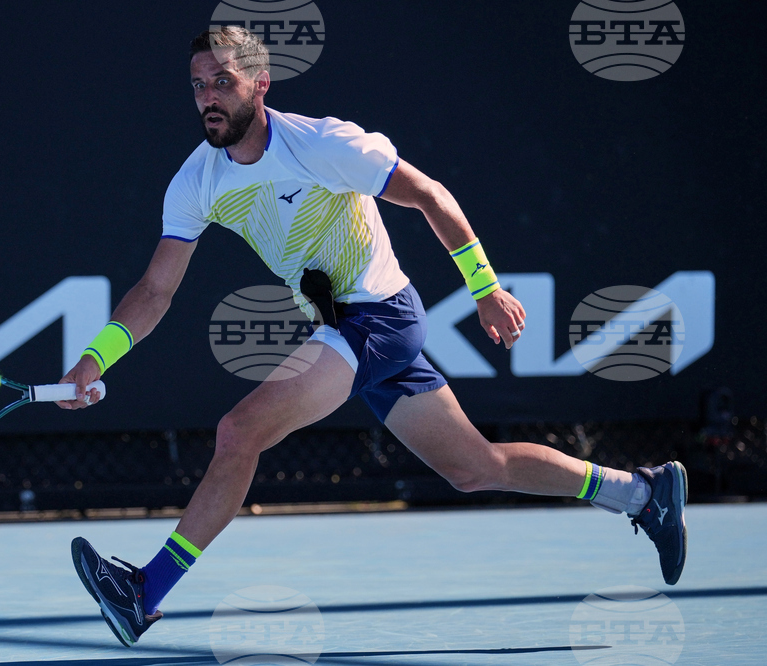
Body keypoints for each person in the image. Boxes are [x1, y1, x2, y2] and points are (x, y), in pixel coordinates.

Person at [57, 27, 687, 648]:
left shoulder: (324, 145)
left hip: (380, 317)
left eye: (223, 81)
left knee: (239, 432)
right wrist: (94, 357)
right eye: (198, 86)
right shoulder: (197, 180)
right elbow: (155, 290)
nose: (208, 98)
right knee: (475, 468)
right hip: (342, 327)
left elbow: (430, 196)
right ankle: (642, 494)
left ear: (261, 84)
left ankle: (146, 590)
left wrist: (485, 288)